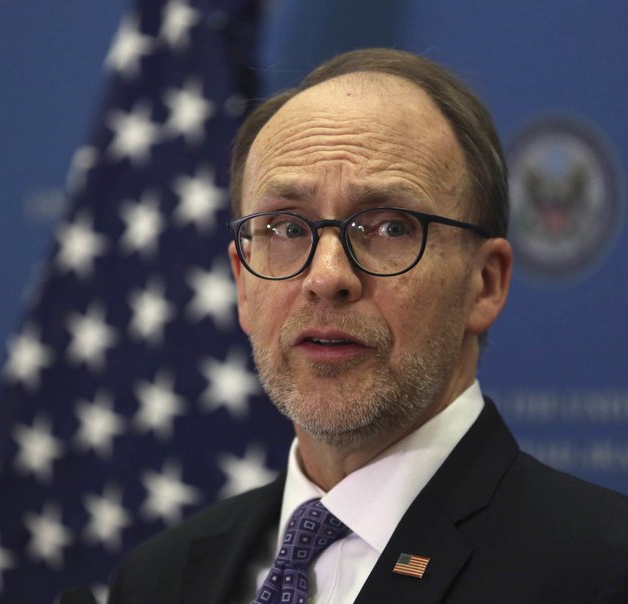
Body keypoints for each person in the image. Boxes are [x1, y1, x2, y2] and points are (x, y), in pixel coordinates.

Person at [102, 48, 628, 603]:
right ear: (242, 282)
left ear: (486, 282)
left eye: (391, 227)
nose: (327, 277)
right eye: (285, 227)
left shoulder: (600, 572)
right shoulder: (159, 579)